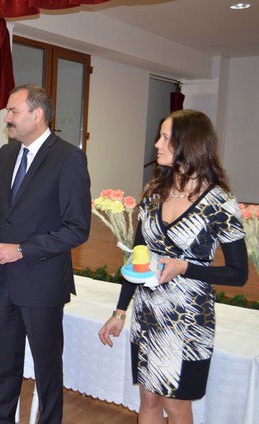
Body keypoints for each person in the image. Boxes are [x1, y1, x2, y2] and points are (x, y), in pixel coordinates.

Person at [98, 109, 248, 424]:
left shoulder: (220, 203)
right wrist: (120, 312)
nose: (156, 144)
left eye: (165, 137)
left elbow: (238, 273)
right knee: (148, 398)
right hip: (148, 314)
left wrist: (185, 268)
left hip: (189, 321)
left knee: (176, 406)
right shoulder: (154, 194)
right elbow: (138, 257)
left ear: (188, 144)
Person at [0, 84, 91, 424]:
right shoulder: (6, 154)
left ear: (37, 115)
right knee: (3, 359)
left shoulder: (68, 157)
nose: (7, 118)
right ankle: (0, 417)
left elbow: (76, 228)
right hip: (5, 278)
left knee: (46, 366)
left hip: (43, 280)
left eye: (13, 111)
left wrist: (22, 250)